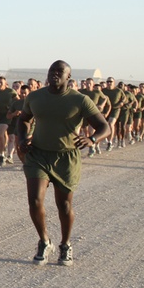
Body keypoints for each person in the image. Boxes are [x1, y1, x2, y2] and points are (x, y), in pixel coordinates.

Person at [17, 61, 110, 266]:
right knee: (34, 201)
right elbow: (23, 119)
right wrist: (22, 139)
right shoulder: (35, 97)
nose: (54, 74)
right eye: (52, 71)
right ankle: (44, 241)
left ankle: (65, 245)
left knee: (64, 205)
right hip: (38, 155)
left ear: (69, 77)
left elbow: (104, 126)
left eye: (60, 72)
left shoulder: (80, 100)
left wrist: (92, 139)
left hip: (66, 158)